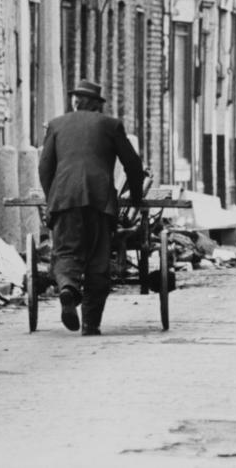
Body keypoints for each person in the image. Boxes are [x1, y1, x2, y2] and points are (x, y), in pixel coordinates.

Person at [38, 80, 145, 335]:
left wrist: (52, 197)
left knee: (66, 251)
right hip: (100, 200)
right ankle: (90, 324)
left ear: (75, 102)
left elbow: (44, 168)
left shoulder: (56, 125)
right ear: (97, 105)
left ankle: (67, 288)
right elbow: (133, 165)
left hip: (64, 198)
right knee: (98, 259)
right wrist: (137, 198)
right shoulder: (111, 125)